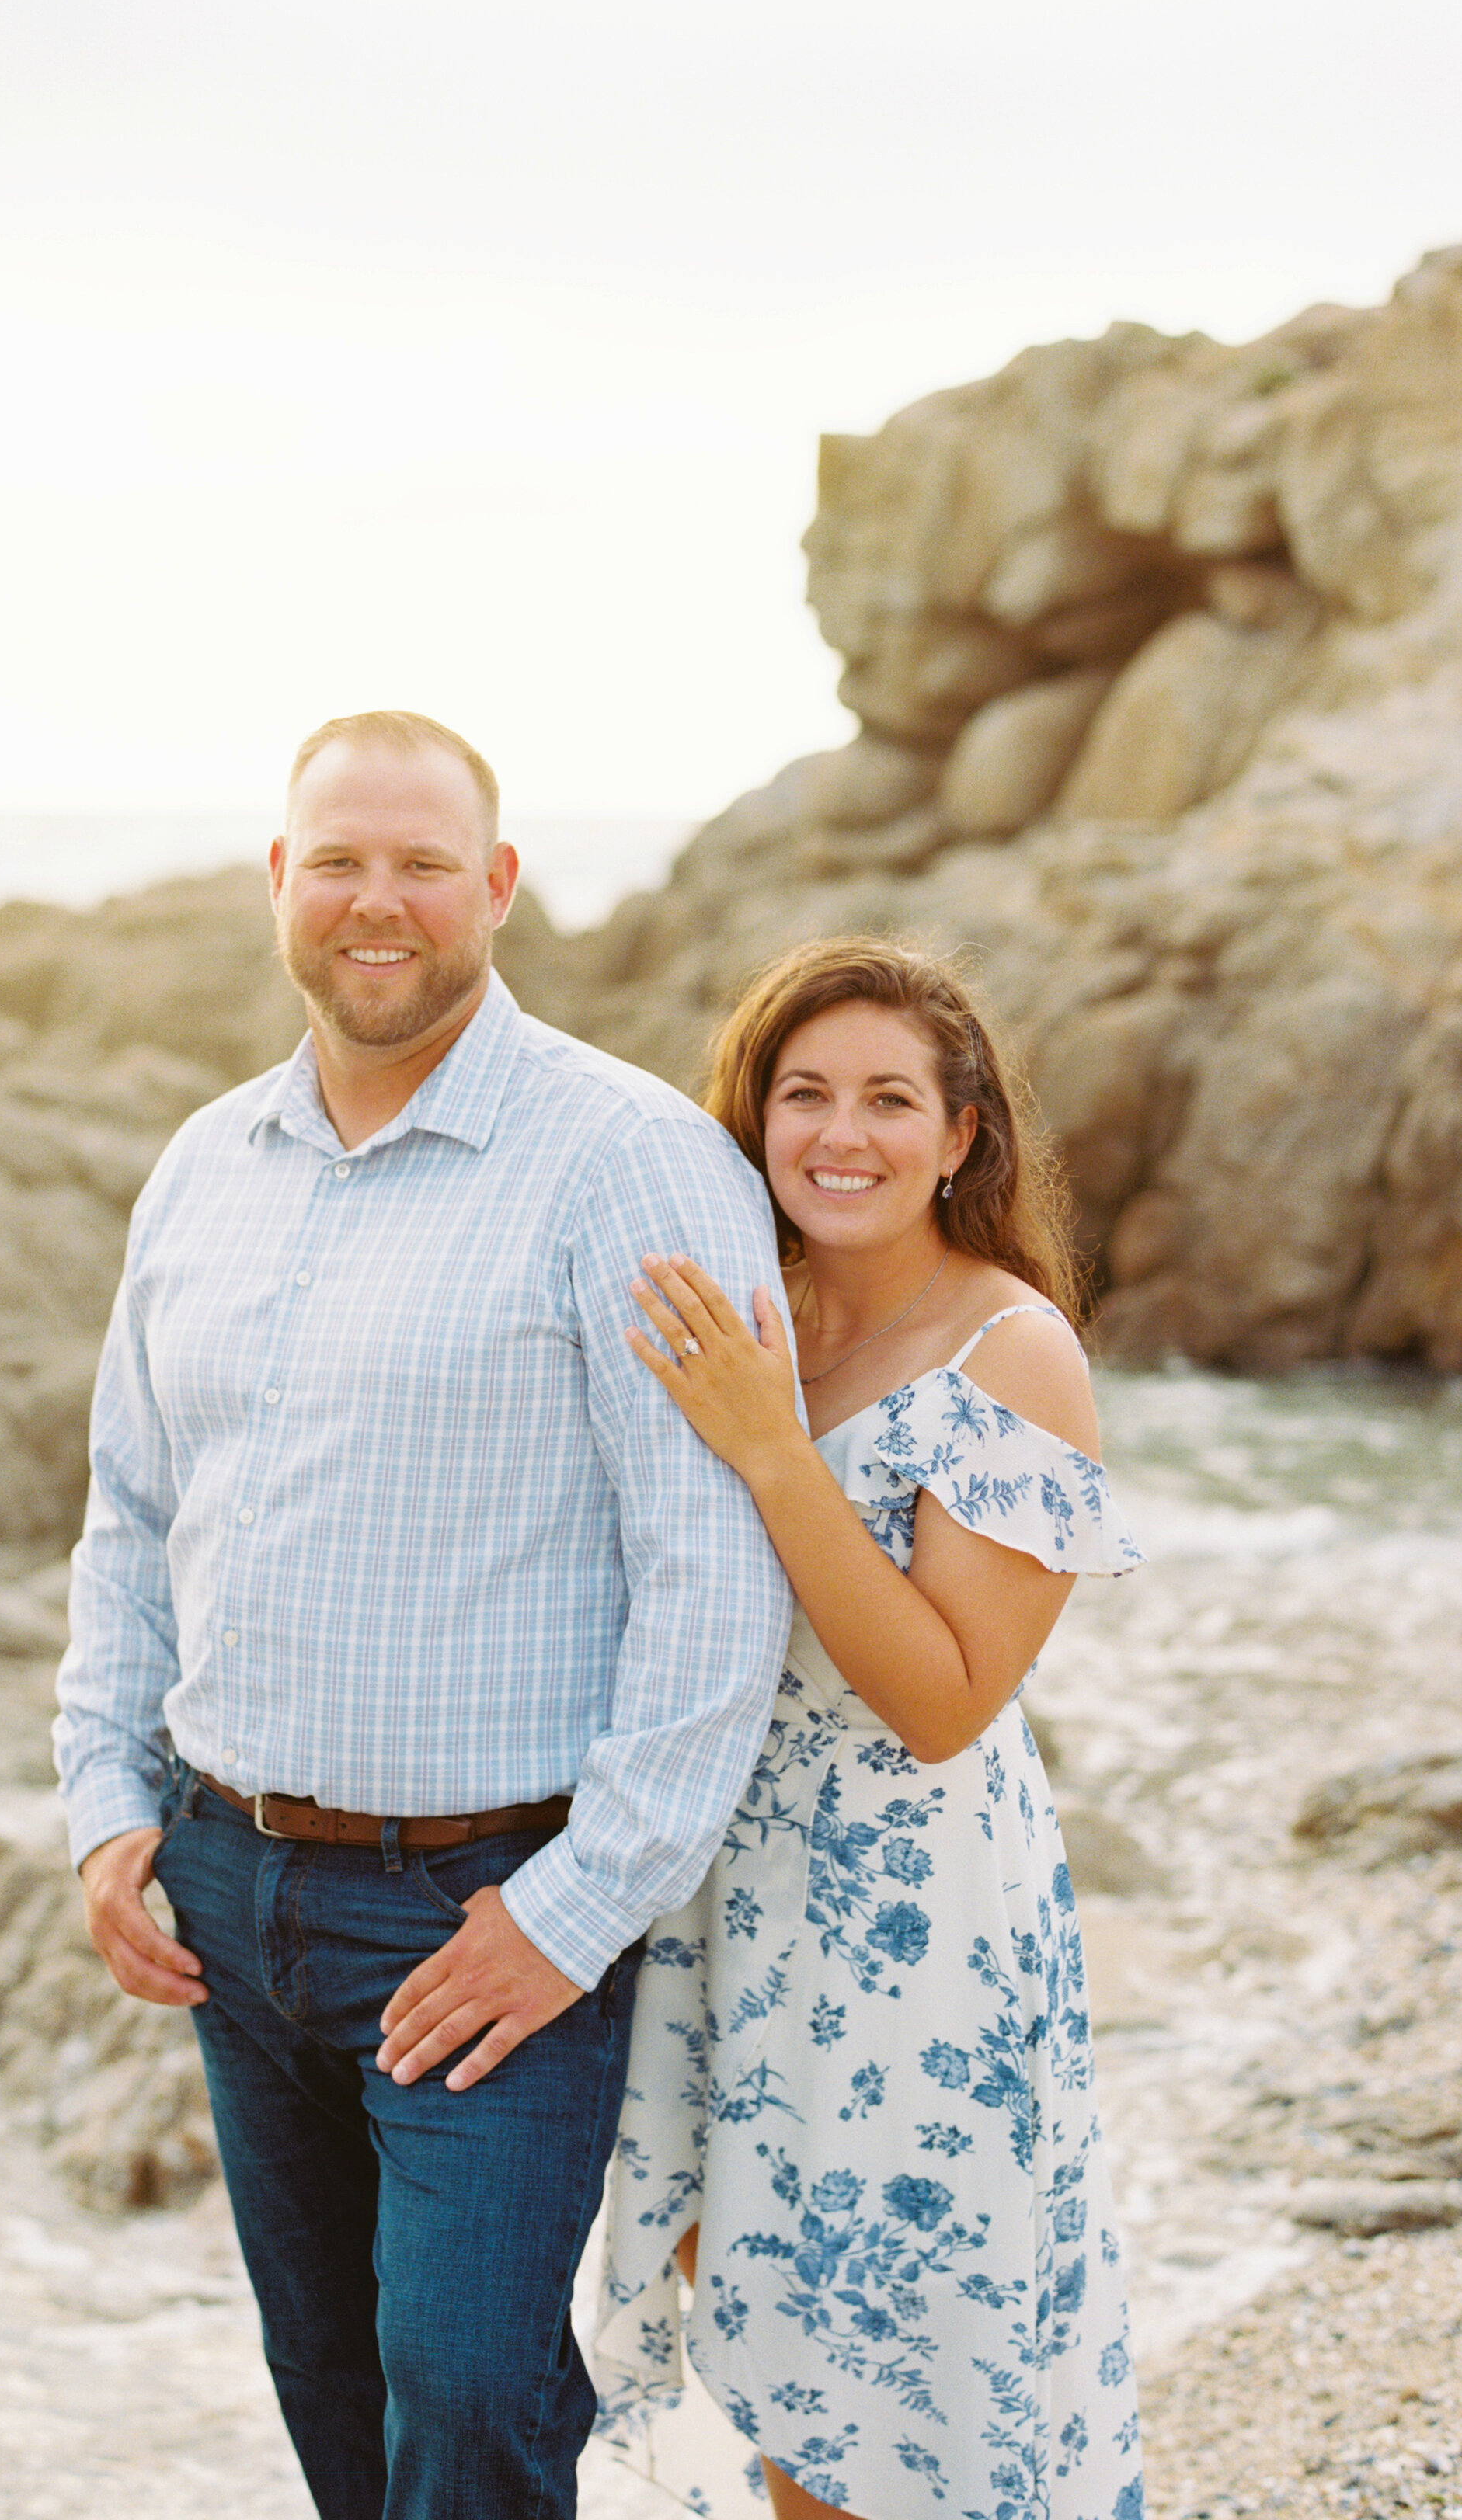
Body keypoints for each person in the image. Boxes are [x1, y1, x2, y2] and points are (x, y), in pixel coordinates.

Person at [51, 708, 792, 2520]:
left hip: (485, 1916)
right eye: (340, 862)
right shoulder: (201, 1167)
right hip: (226, 1894)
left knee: (467, 2408)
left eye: (422, 865)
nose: (377, 902)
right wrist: (103, 1810)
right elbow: (131, 1516)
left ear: (499, 887)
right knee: (333, 2395)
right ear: (280, 884)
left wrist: (569, 1915)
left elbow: (716, 1575)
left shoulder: (624, 1162)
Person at [593, 936, 1146, 2520]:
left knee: (883, 2378)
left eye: (888, 1100)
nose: (842, 1135)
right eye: (804, 1095)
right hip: (710, 1897)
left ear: (960, 1135)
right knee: (759, 2348)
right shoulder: (747, 1312)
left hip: (904, 1929)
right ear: (751, 1121)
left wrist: (775, 1456)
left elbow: (941, 1700)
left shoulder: (1011, 1349)